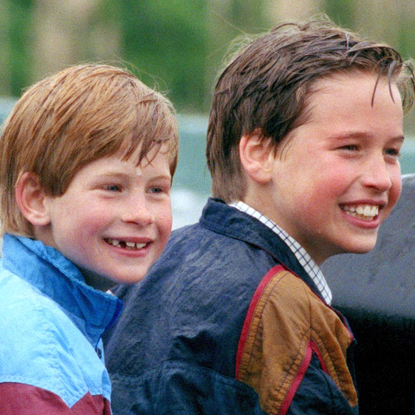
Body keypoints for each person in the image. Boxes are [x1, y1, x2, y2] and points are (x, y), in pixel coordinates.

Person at [104, 18, 415, 415]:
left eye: (391, 152)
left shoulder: (158, 261)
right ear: (259, 153)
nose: (380, 178)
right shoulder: (286, 314)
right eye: (350, 148)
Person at [0, 64, 178, 414]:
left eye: (157, 189)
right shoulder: (38, 348)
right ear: (36, 199)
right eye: (113, 188)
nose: (141, 214)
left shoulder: (51, 316)